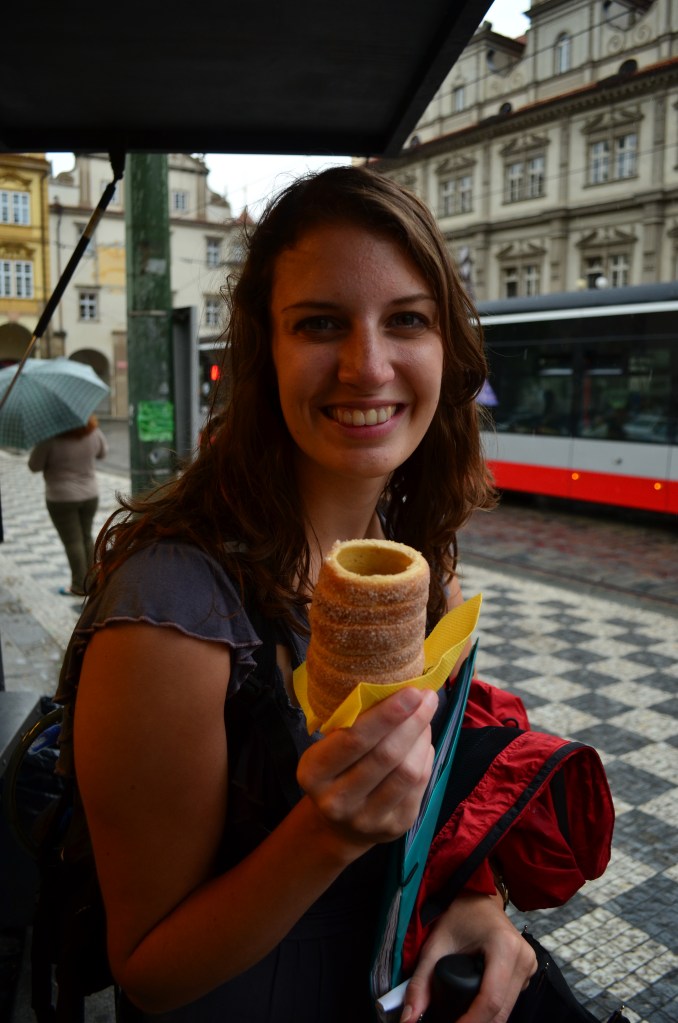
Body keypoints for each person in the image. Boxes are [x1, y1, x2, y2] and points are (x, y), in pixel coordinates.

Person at [54, 167, 537, 1023]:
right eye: (319, 323)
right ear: (261, 349)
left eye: (408, 320)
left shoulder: (418, 566)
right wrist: (329, 833)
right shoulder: (170, 615)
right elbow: (148, 969)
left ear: (447, 348)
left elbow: (427, 817)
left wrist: (474, 900)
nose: (368, 364)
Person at [28, 415, 108, 596]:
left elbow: (34, 466)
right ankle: (95, 579)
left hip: (61, 498)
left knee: (73, 542)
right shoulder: (92, 431)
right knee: (86, 537)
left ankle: (79, 585)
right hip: (90, 494)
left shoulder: (50, 438)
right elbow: (103, 453)